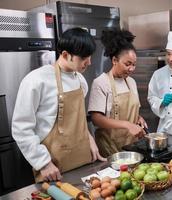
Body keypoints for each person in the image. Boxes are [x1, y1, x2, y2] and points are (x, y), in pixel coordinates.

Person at [12, 28, 106, 182]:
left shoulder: (80, 81)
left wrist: (89, 139)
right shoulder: (36, 80)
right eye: (83, 57)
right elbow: (21, 129)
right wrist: (43, 163)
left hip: (83, 159)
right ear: (65, 55)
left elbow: (78, 120)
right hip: (53, 166)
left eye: (90, 57)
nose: (89, 62)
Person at [88, 29, 146, 157]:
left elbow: (132, 111)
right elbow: (96, 118)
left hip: (131, 144)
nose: (131, 69)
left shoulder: (131, 82)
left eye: (134, 64)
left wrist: (138, 118)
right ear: (114, 60)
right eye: (127, 64)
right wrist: (127, 125)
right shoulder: (101, 82)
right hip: (110, 146)